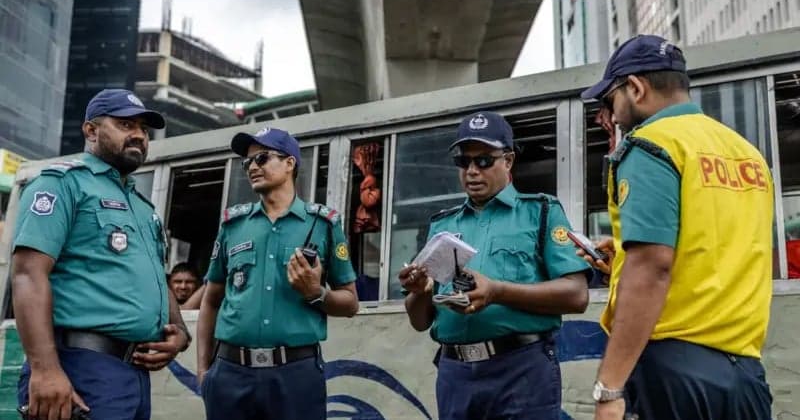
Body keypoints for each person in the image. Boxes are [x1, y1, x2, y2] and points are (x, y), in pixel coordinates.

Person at [580, 35, 774, 420]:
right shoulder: (747, 155)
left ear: (635, 87)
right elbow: (717, 246)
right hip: (746, 376)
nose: (612, 116)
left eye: (610, 101)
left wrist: (610, 387)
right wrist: (622, 256)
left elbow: (652, 267)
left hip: (674, 374)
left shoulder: (651, 144)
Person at [11, 89, 191, 420]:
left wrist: (179, 330)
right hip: (79, 366)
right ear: (91, 131)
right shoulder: (61, 184)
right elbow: (27, 274)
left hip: (133, 375)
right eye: (125, 124)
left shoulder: (142, 206)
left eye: (143, 129)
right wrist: (45, 369)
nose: (138, 134)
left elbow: (156, 277)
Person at [399, 111, 590, 420]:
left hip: (522, 369)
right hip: (456, 373)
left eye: (484, 160)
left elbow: (576, 294)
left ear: (509, 161)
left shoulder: (540, 212)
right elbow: (421, 321)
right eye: (464, 162)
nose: (472, 171)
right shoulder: (442, 227)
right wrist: (420, 292)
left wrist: (497, 292)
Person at [196, 127, 359, 420]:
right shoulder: (233, 224)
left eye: (262, 158)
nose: (253, 167)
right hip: (230, 373)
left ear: (289, 163)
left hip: (295, 374)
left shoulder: (323, 224)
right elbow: (211, 300)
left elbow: (351, 303)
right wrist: (204, 371)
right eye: (248, 163)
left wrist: (316, 293)